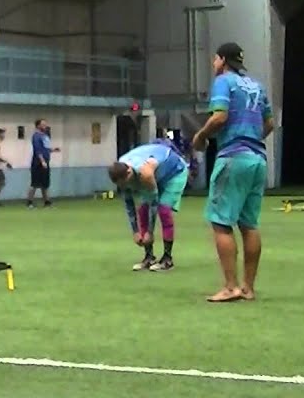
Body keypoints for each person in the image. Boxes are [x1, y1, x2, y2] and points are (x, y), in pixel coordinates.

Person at [192, 42, 273, 303]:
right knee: (249, 224)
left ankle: (230, 286)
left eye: (215, 60)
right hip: (257, 158)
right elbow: (270, 122)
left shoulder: (223, 82)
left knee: (221, 222)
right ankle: (248, 288)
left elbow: (220, 117)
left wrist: (201, 136)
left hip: (233, 157)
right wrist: (252, 139)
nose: (214, 64)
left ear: (222, 60)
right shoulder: (257, 86)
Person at [109, 137, 190, 272]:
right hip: (157, 174)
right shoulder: (121, 171)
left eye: (125, 182)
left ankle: (167, 259)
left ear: (129, 173)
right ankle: (148, 257)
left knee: (163, 210)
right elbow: (129, 204)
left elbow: (154, 202)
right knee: (142, 209)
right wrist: (135, 232)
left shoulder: (145, 173)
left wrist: (150, 232)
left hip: (174, 173)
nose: (125, 186)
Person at [26, 119, 60, 208]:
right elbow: (38, 150)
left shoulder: (45, 136)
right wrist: (42, 161)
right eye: (43, 124)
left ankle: (47, 202)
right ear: (38, 126)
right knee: (35, 184)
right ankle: (29, 202)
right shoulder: (36, 136)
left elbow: (46, 148)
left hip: (46, 161)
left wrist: (53, 150)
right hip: (38, 163)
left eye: (45, 124)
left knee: (45, 184)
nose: (45, 126)